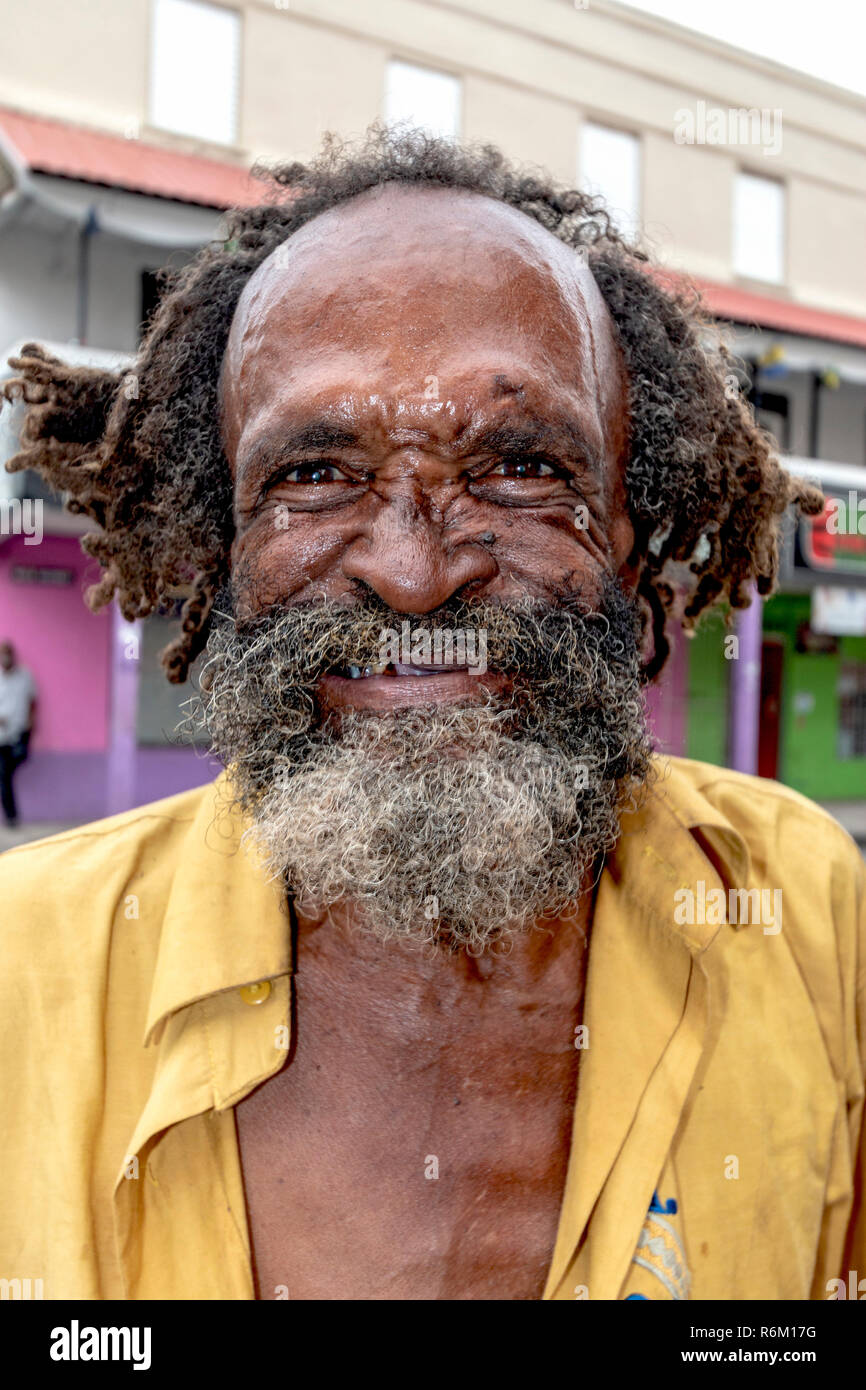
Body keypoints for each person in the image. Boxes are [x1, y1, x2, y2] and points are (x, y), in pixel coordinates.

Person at [0, 128, 862, 1302]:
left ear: (623, 528)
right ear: (223, 537)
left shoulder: (810, 914)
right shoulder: (23, 967)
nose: (412, 574)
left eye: (518, 465)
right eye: (314, 472)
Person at [0, 640, 36, 827]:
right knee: (4, 775)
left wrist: (31, 723)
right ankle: (11, 817)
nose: (5, 657)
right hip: (1, 737)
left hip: (19, 734)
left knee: (7, 773)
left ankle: (11, 815)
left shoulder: (24, 676)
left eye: (8, 653)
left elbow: (33, 701)